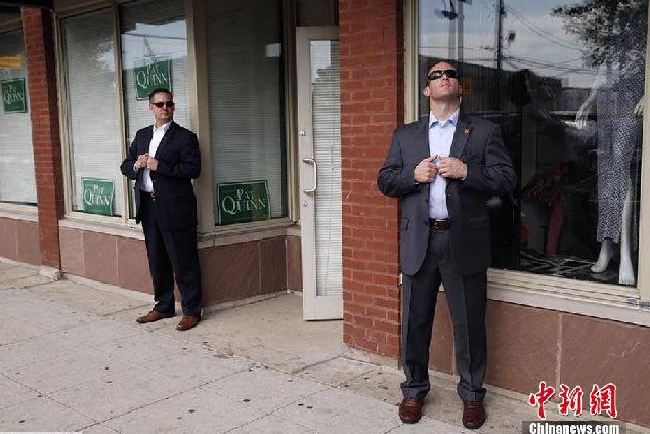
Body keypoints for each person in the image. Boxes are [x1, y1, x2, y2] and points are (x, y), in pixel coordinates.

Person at [377, 61, 516, 428]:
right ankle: (413, 389)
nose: (443, 78)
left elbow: (506, 179)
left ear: (459, 87)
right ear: (426, 90)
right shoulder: (405, 135)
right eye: (436, 75)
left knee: (469, 324)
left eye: (450, 74)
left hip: (464, 241)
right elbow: (385, 180)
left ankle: (472, 395)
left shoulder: (484, 132)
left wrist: (466, 171)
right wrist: (412, 175)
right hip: (419, 241)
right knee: (415, 321)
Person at [120, 88, 203, 331]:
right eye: (159, 104)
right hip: (149, 207)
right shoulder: (142, 135)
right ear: (151, 108)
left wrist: (159, 165)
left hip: (176, 208)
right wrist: (137, 164)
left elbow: (193, 170)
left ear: (173, 107)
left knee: (183, 260)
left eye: (168, 103)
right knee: (157, 260)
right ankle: (164, 306)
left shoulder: (185, 137)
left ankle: (191, 311)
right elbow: (125, 166)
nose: (164, 107)